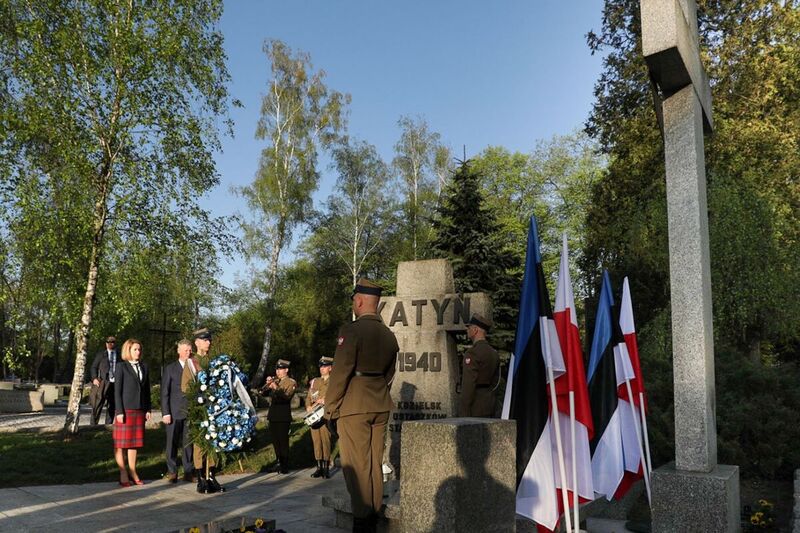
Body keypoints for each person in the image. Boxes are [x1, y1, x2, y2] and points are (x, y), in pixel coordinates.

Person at [325, 278, 399, 533]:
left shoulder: (351, 331)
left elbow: (340, 373)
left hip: (354, 406)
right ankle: (374, 514)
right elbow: (390, 374)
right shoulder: (389, 335)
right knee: (375, 464)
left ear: (359, 301)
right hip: (380, 403)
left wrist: (330, 409)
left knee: (356, 466)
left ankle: (362, 521)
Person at [181, 327, 225, 493]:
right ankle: (201, 478)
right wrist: (200, 393)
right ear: (197, 342)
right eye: (205, 340)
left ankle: (212, 476)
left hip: (214, 409)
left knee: (214, 442)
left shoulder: (214, 361)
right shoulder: (192, 363)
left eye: (209, 340)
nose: (209, 342)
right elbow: (185, 387)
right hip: (200, 409)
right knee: (200, 444)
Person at [113, 338, 152, 486]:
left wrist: (148, 408)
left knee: (133, 444)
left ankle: (133, 470)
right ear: (128, 350)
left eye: (139, 349)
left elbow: (146, 390)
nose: (138, 352)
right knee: (120, 444)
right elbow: (117, 391)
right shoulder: (121, 367)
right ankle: (123, 472)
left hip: (139, 410)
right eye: (135, 349)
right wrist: (119, 411)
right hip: (125, 410)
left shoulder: (144, 366)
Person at [161, 339, 195, 483]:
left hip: (190, 411)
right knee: (172, 443)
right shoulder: (170, 368)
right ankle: (172, 471)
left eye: (190, 350)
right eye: (186, 350)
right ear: (178, 351)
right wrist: (166, 412)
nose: (188, 352)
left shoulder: (194, 367)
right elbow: (165, 392)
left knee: (188, 443)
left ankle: (188, 471)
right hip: (174, 412)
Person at [459, 313, 499, 418]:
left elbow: (468, 385)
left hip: (475, 406)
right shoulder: (493, 353)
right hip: (490, 403)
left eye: (469, 327)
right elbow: (496, 381)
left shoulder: (472, 353)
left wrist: (464, 412)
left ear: (475, 330)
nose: (467, 330)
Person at [264, 359, 297, 474]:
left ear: (286, 370)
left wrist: (275, 387)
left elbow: (286, 396)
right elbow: (263, 393)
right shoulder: (275, 380)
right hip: (273, 414)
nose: (278, 371)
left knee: (283, 440)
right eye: (277, 369)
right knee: (275, 441)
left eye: (281, 369)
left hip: (283, 415)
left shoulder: (290, 382)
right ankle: (278, 461)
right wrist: (268, 384)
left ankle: (284, 464)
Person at [307, 356, 334, 479]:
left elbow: (336, 396)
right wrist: (308, 406)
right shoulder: (315, 381)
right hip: (314, 415)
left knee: (325, 441)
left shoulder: (334, 382)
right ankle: (318, 467)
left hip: (325, 415)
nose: (322, 369)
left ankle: (326, 467)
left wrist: (326, 400)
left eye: (324, 366)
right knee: (316, 441)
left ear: (330, 368)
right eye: (321, 367)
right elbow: (309, 396)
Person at [89, 336, 118, 425]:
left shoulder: (119, 355)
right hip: (103, 382)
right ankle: (93, 425)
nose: (110, 343)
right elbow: (93, 367)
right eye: (108, 342)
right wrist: (94, 379)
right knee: (98, 404)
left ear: (115, 343)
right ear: (106, 344)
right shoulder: (101, 354)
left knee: (112, 405)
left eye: (112, 342)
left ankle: (108, 425)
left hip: (115, 383)